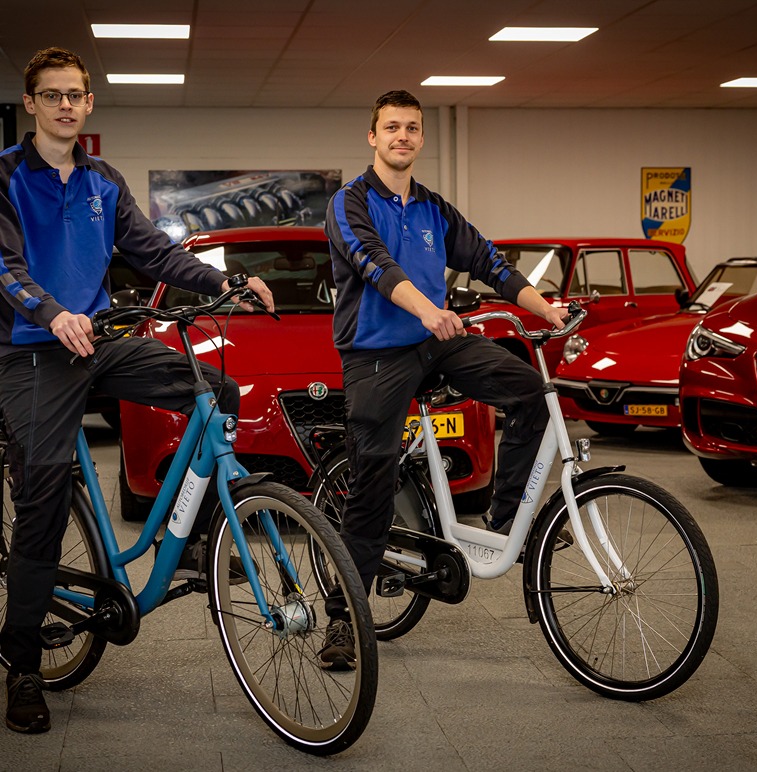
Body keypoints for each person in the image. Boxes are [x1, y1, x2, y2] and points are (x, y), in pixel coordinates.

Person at [0, 47, 274, 733]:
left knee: (218, 393)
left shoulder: (104, 181)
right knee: (40, 499)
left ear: (89, 103)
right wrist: (49, 312)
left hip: (95, 340)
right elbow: (3, 264)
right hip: (31, 350)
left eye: (75, 94)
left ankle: (204, 534)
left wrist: (225, 282)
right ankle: (23, 662)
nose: (65, 104)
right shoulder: (5, 176)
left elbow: (153, 250)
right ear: (30, 104)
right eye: (51, 94)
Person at [322, 90, 567, 668]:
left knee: (530, 393)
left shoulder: (435, 209)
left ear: (421, 138)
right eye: (391, 127)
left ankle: (505, 521)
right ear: (373, 137)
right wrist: (428, 310)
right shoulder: (349, 202)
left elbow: (491, 262)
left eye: (411, 128)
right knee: (373, 485)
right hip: (375, 354)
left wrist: (546, 310)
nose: (402, 136)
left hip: (436, 342)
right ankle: (342, 618)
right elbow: (376, 265)